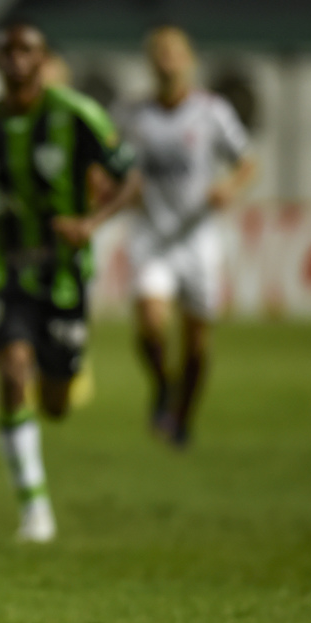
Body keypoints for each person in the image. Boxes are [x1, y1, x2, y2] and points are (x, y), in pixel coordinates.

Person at [0, 22, 138, 543]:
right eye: (7, 52)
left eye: (28, 51)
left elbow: (130, 179)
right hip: (2, 267)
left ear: (43, 60)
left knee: (56, 405)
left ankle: (67, 372)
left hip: (62, 273)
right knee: (13, 369)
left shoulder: (77, 116)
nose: (17, 59)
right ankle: (35, 511)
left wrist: (89, 224)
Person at [118, 26, 256, 448]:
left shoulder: (212, 111)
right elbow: (102, 162)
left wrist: (228, 187)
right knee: (151, 325)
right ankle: (162, 386)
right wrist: (117, 187)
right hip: (151, 235)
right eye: (159, 53)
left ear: (189, 60)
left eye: (174, 53)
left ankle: (183, 419)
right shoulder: (130, 114)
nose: (167, 61)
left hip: (197, 239)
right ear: (150, 62)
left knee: (196, 346)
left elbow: (247, 163)